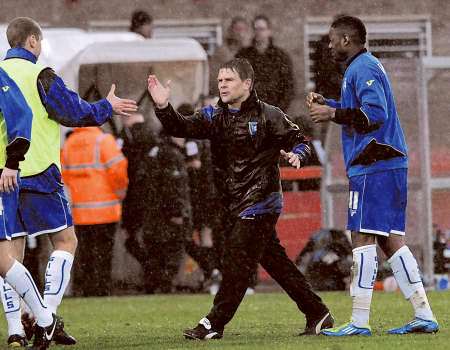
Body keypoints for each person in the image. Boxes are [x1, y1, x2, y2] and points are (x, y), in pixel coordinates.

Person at [148, 58, 333, 340]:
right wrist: (163, 106)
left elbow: (300, 140)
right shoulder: (213, 116)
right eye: (220, 80)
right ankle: (318, 313)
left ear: (247, 84)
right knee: (276, 263)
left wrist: (298, 154)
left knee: (236, 259)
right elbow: (180, 127)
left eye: (229, 80)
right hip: (233, 204)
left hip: (263, 200)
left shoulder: (270, 115)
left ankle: (214, 323)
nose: (222, 85)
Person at [0, 17, 137, 348]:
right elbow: (73, 112)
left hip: (5, 176)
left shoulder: (2, 76)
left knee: (9, 257)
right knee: (64, 241)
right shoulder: (40, 75)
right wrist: (108, 106)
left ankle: (16, 328)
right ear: (32, 41)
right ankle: (48, 316)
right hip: (39, 171)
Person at [307, 15, 439, 336]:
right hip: (389, 164)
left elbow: (374, 116)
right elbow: (362, 109)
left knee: (361, 237)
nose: (329, 44)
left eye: (332, 39)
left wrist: (333, 113)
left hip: (374, 164)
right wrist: (333, 105)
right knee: (390, 240)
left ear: (347, 40)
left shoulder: (361, 67)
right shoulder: (365, 66)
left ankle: (359, 321)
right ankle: (423, 313)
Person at [0, 66, 62, 349]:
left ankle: (39, 320)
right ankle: (33, 322)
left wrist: (12, 164)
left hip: (5, 177)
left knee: (4, 258)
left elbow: (22, 115)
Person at [62, 127, 128, 296]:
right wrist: (121, 191)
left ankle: (87, 288)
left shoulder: (69, 143)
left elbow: (64, 175)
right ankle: (101, 289)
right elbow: (118, 170)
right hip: (105, 210)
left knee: (86, 254)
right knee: (103, 253)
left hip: (80, 212)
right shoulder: (104, 140)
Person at [140, 132, 192, 293]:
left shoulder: (153, 152)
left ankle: (152, 285)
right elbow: (173, 187)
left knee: (155, 252)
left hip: (152, 214)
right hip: (167, 215)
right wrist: (176, 212)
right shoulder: (172, 155)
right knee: (172, 251)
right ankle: (164, 286)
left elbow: (144, 181)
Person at [236, 15, 294, 111]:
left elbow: (288, 87)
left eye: (262, 29)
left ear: (269, 31)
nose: (258, 32)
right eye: (256, 29)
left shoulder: (280, 56)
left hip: (274, 109)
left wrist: (279, 110)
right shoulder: (243, 55)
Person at [209, 17, 251, 95]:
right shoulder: (222, 51)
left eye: (242, 29)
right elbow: (214, 76)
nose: (239, 32)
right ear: (231, 30)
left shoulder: (250, 52)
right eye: (237, 29)